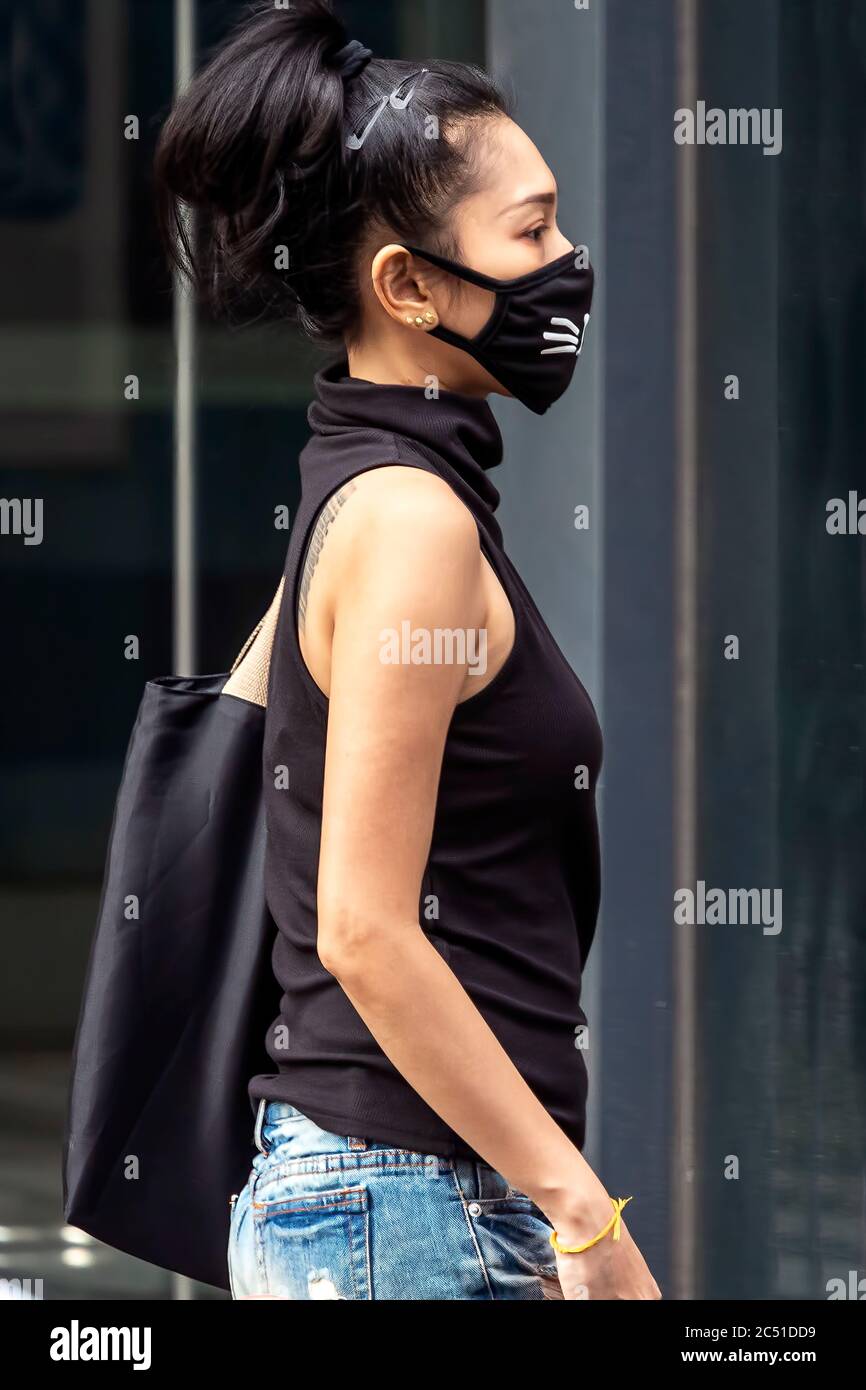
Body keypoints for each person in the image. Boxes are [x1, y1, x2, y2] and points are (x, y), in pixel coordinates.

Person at [155, 0, 661, 1302]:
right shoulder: (408, 521)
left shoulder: (365, 483)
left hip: (398, 1205)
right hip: (404, 1208)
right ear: (408, 286)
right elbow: (367, 928)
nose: (568, 261)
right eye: (532, 230)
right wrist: (583, 1221)